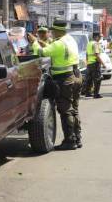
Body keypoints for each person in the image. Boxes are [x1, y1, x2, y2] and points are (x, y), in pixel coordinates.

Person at [28, 20, 82, 150]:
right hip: (76, 76)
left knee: (65, 110)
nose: (51, 32)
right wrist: (41, 42)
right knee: (73, 109)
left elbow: (41, 53)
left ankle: (70, 141)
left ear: (58, 31)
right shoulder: (69, 39)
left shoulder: (58, 44)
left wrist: (34, 42)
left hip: (65, 79)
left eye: (52, 30)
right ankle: (77, 138)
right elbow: (52, 46)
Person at [83, 31, 104, 99]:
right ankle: (96, 94)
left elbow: (86, 54)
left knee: (89, 79)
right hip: (95, 63)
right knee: (97, 79)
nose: (100, 38)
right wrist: (103, 63)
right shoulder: (95, 44)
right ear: (96, 37)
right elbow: (96, 55)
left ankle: (87, 93)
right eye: (99, 37)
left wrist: (87, 62)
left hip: (89, 64)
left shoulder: (89, 43)